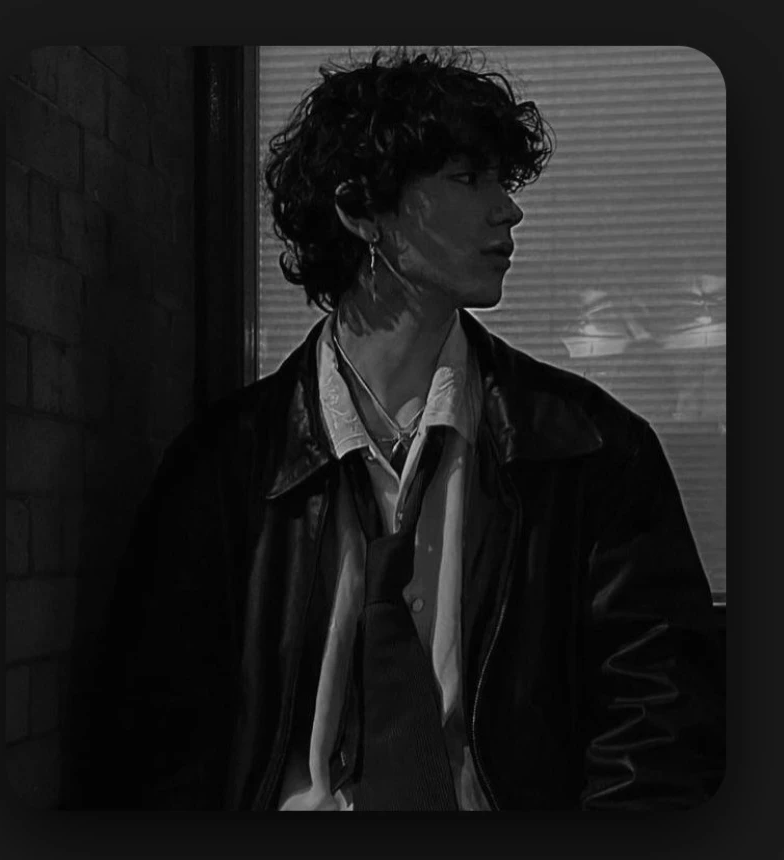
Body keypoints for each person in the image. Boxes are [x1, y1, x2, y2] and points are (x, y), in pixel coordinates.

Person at [92, 47, 725, 811]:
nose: (509, 209)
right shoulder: (228, 466)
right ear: (361, 210)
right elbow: (158, 741)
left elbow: (657, 724)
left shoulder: (589, 449)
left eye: (503, 179)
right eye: (468, 178)